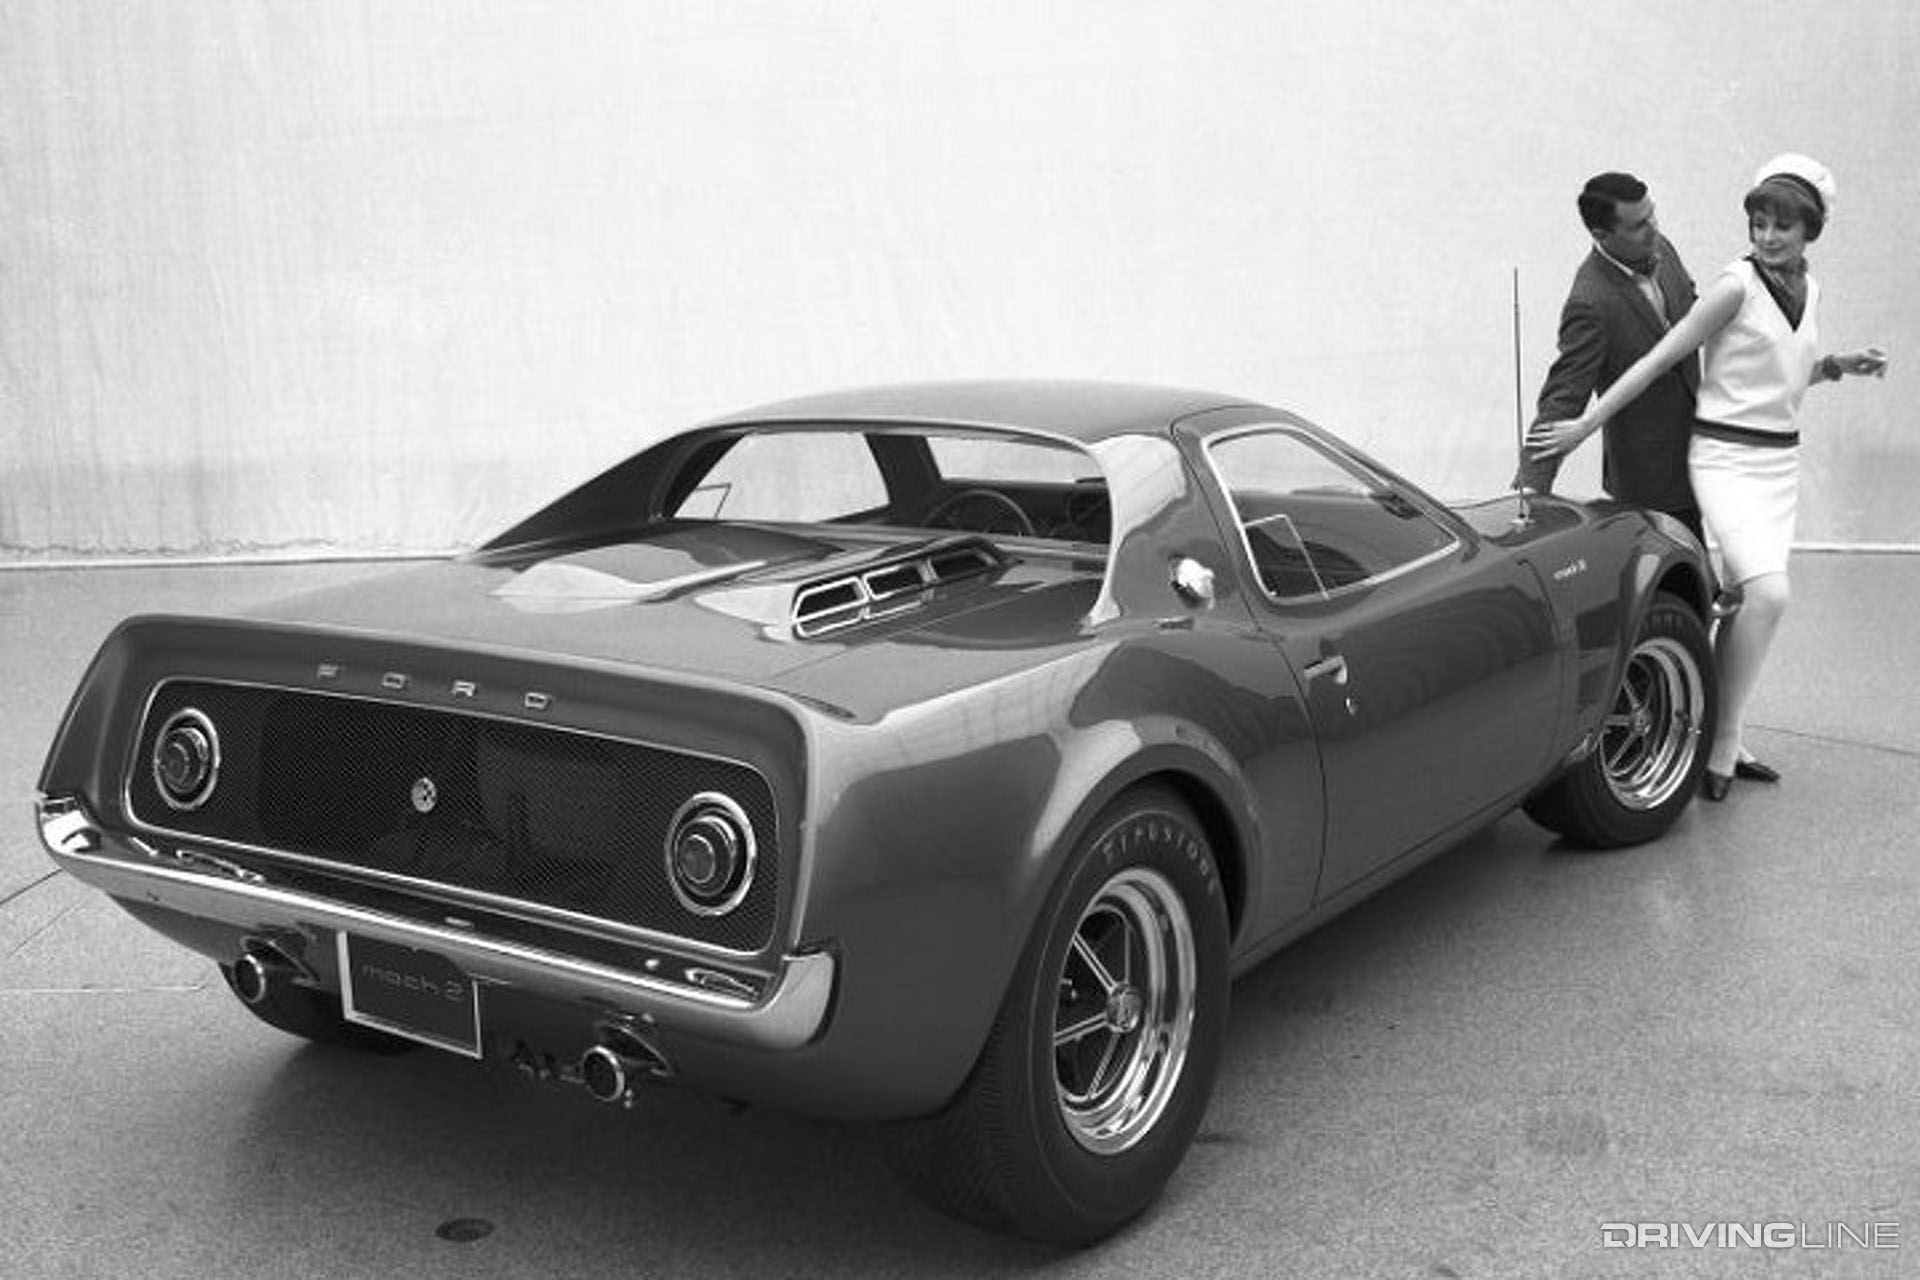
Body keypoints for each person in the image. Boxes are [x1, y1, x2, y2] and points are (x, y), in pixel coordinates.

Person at [1527, 154, 1888, 801]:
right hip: (1690, 463)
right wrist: (1551, 466)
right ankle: (1686, 738)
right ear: (1601, 236)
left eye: (1783, 226)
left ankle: (1709, 730)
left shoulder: (1675, 255)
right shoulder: (1625, 297)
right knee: (1729, 597)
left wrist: (1834, 366)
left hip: (1758, 447)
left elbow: (1753, 357)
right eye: (1759, 224)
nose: (1653, 231)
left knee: (1729, 600)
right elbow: (1615, 375)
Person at [1515, 172, 1703, 541]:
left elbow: (1695, 312)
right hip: (1654, 480)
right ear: (1601, 235)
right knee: (1688, 581)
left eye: (1653, 216)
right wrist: (1528, 496)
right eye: (1638, 225)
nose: (1653, 229)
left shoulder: (1660, 247)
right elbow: (1562, 398)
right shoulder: (1590, 302)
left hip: (1709, 448)